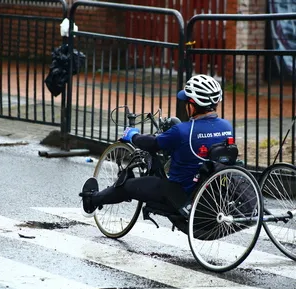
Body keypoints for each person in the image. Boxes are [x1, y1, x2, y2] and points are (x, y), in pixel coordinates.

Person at [79, 74, 234, 219]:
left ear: (192, 105)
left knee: (127, 186)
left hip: (179, 193)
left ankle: (92, 200)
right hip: (210, 194)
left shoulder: (183, 131)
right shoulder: (227, 127)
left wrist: (132, 135)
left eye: (187, 101)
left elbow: (153, 144)